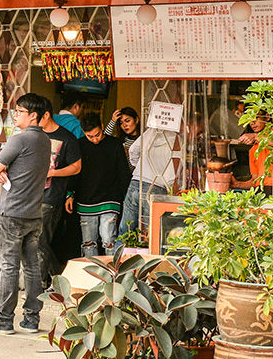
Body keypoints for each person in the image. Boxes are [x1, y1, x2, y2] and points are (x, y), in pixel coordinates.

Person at [0, 92, 51, 334]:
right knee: (32, 267)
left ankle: (4, 320)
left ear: (33, 115)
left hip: (11, 212)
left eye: (20, 111)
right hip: (34, 214)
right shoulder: (45, 141)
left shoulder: (19, 140)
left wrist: (0, 171)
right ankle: (32, 319)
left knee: (10, 267)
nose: (15, 115)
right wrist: (3, 171)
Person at [67, 113, 131, 257]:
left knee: (109, 240)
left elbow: (123, 172)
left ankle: (111, 274)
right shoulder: (79, 145)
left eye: (97, 134)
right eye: (90, 136)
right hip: (85, 200)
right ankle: (92, 277)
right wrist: (69, 194)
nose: (95, 139)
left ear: (102, 127)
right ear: (84, 132)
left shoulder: (115, 144)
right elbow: (74, 172)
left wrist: (126, 196)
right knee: (88, 243)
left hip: (110, 199)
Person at [38, 103, 81, 288]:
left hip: (51, 196)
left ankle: (38, 284)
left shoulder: (67, 137)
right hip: (30, 196)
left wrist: (53, 173)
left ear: (46, 115)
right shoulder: (34, 135)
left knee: (39, 240)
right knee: (37, 241)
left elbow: (77, 167)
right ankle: (61, 279)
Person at [116, 124, 180, 240]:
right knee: (152, 234)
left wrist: (140, 168)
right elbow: (177, 165)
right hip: (156, 186)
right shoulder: (177, 138)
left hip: (136, 182)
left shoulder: (151, 132)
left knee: (125, 232)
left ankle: (117, 256)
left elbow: (133, 150)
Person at [231, 112, 273, 193]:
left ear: (267, 117)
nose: (252, 123)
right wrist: (237, 184)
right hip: (262, 191)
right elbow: (255, 181)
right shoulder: (253, 150)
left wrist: (255, 136)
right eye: (249, 119)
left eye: (256, 117)